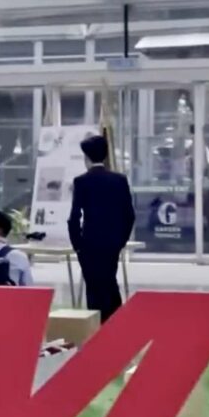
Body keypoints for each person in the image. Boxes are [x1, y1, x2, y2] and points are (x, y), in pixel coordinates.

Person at [68, 133, 135, 321]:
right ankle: (115, 322)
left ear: (87, 157)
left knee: (93, 287)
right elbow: (129, 215)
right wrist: (121, 240)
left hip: (89, 243)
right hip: (112, 243)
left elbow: (75, 216)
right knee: (109, 281)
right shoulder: (119, 180)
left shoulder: (81, 181)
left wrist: (77, 244)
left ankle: (97, 324)